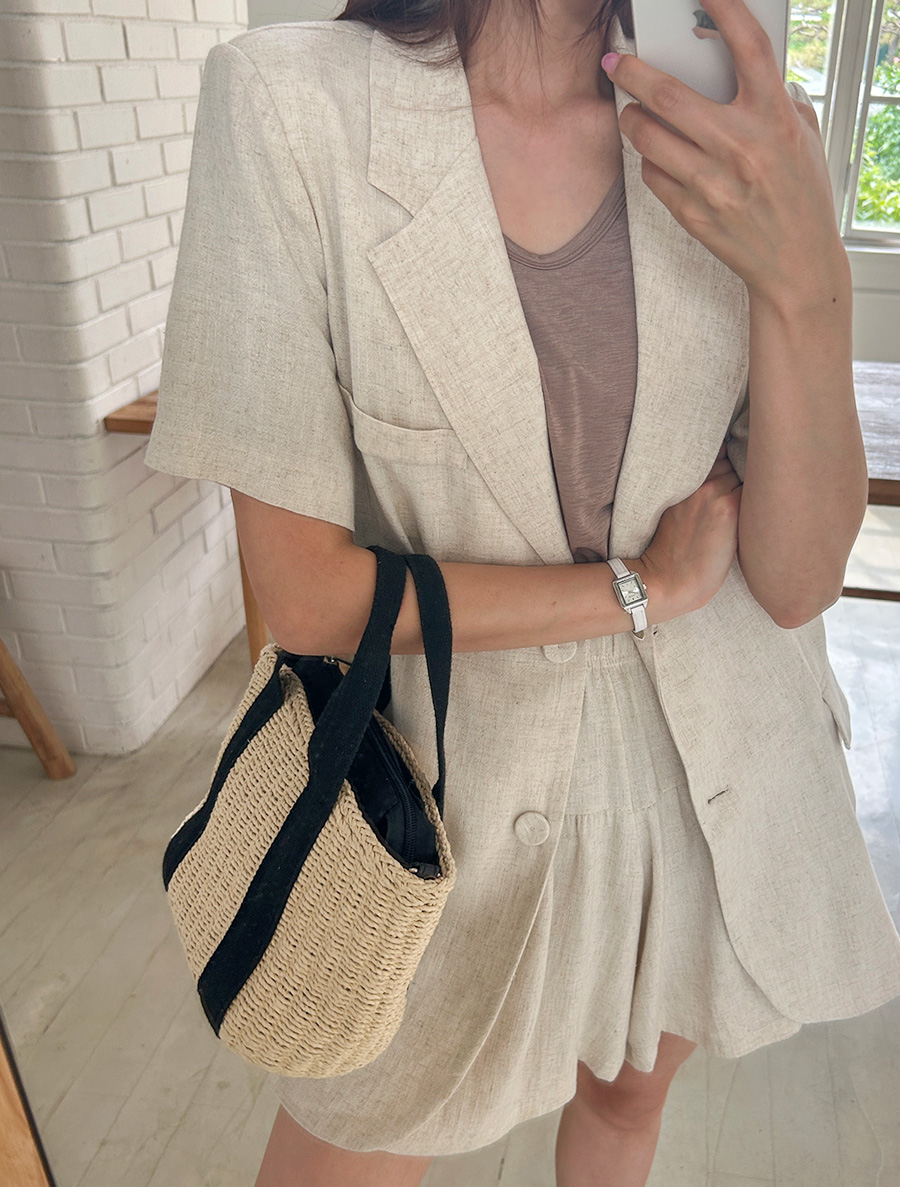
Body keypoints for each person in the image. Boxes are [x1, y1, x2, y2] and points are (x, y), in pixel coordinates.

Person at [143, 0, 900, 1183]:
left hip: (710, 770)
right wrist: (639, 588)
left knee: (629, 1099)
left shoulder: (739, 123)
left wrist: (810, 280)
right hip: (444, 789)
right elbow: (306, 597)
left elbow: (798, 581)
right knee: (357, 1136)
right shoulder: (288, 107)